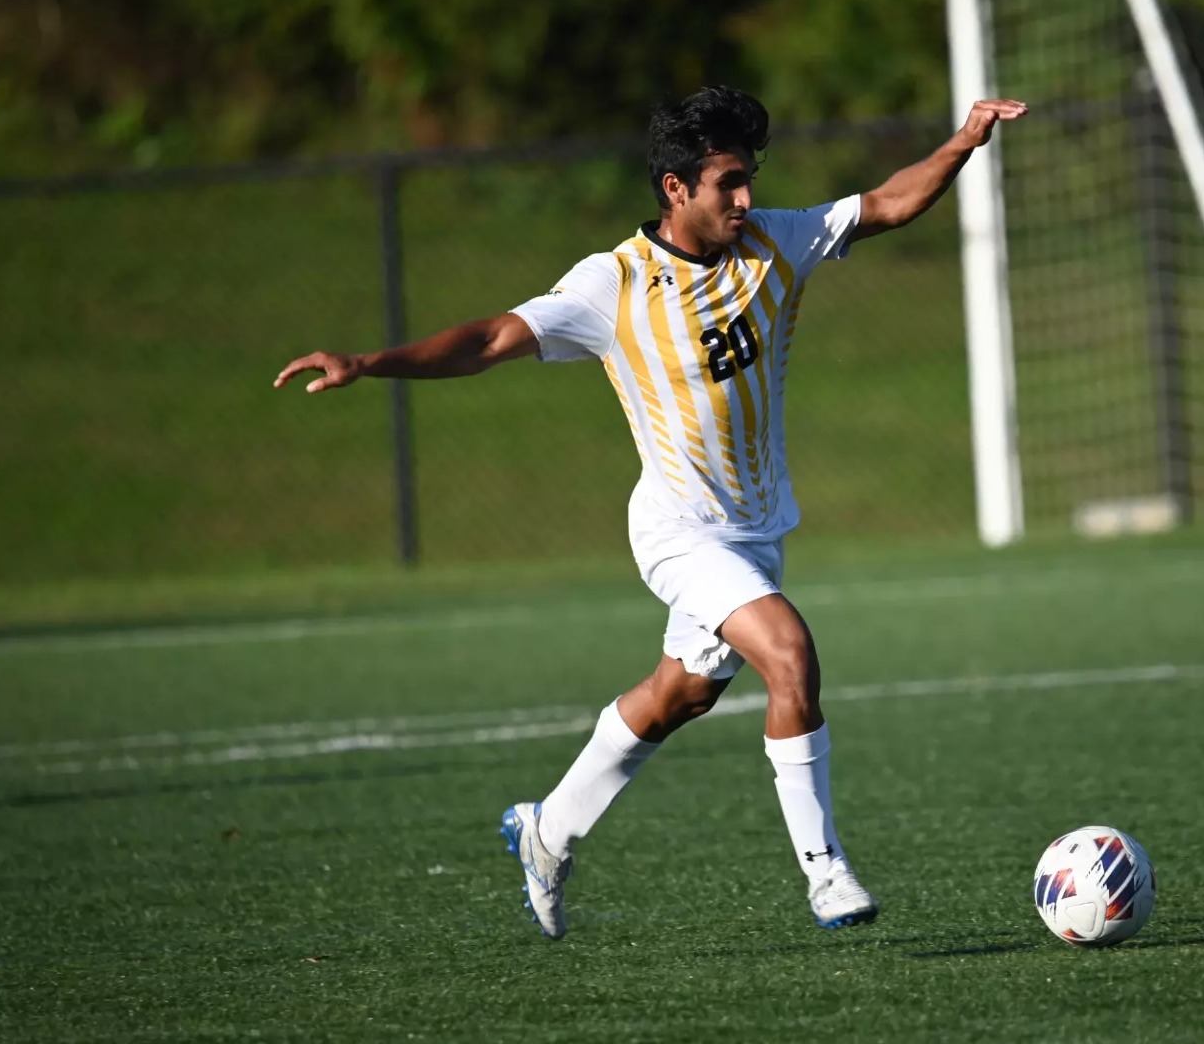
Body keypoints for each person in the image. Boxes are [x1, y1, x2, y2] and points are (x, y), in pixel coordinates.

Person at [274, 86, 1027, 937]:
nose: (746, 197)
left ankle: (548, 830)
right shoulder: (615, 283)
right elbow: (489, 341)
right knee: (789, 653)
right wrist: (368, 362)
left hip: (756, 530)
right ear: (676, 189)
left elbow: (887, 202)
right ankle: (826, 871)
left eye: (749, 178)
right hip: (678, 531)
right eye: (728, 182)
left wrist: (964, 139)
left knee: (680, 695)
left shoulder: (774, 241)